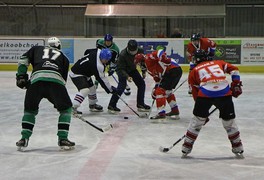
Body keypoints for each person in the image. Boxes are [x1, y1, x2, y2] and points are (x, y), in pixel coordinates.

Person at [181, 49, 244, 158]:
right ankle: (238, 147)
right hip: (224, 92)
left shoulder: (194, 71)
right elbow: (234, 70)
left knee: (197, 121)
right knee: (229, 122)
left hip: (205, 94)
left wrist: (202, 114)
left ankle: (186, 147)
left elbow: (195, 93)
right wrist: (236, 83)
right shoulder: (219, 62)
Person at [15, 37, 75, 151]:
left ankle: (24, 138)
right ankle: (63, 139)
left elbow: (23, 60)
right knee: (66, 110)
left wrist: (21, 76)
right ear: (59, 46)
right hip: (55, 83)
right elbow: (62, 81)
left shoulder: (36, 49)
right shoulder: (64, 58)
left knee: (30, 111)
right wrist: (59, 103)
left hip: (36, 81)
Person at [134, 49, 182, 120]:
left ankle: (161, 113)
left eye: (139, 64)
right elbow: (158, 80)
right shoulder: (149, 69)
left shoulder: (148, 59)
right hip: (175, 71)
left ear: (142, 61)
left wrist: (163, 58)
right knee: (167, 91)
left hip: (172, 70)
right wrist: (155, 88)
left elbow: (159, 52)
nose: (140, 66)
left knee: (160, 91)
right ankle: (175, 110)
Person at [108, 39, 150, 113]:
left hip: (132, 69)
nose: (133, 53)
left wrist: (143, 71)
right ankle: (112, 105)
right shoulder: (122, 54)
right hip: (122, 70)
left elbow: (142, 61)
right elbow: (120, 68)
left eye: (135, 51)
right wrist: (127, 76)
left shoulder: (140, 51)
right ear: (128, 48)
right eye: (131, 51)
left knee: (141, 84)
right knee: (122, 86)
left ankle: (140, 104)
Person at [70, 48, 117, 114]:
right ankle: (73, 107)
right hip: (76, 73)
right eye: (105, 60)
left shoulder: (98, 51)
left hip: (85, 73)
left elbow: (87, 51)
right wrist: (110, 89)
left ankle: (92, 105)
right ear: (101, 56)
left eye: (107, 60)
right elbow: (102, 80)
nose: (106, 61)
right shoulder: (98, 66)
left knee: (92, 88)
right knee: (85, 90)